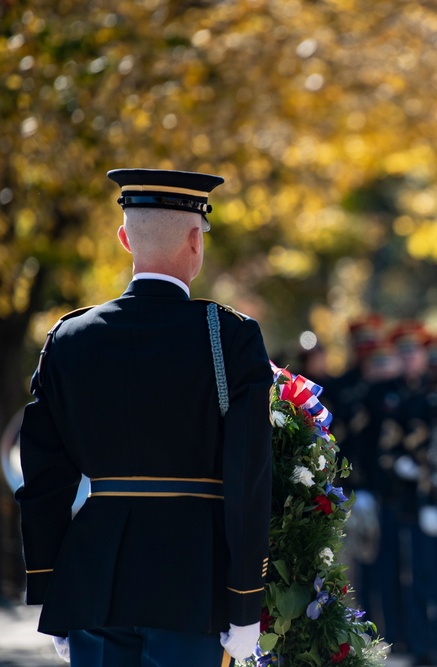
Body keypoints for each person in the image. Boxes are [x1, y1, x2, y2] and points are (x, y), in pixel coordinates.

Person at [16, 169, 273, 665]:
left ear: (123, 239)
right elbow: (248, 478)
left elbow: (44, 477)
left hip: (93, 582)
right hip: (193, 582)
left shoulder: (69, 337)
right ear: (196, 240)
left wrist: (51, 590)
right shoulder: (231, 336)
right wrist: (245, 602)